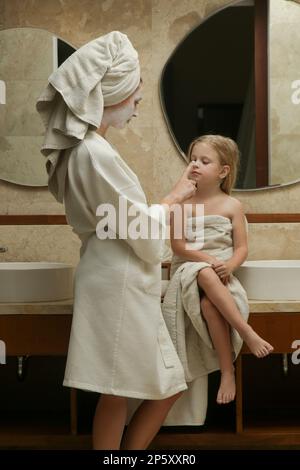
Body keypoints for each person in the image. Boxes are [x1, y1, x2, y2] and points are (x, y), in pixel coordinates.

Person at [36, 31, 199, 450]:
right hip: (119, 278)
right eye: (136, 100)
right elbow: (136, 229)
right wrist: (174, 197)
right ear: (112, 95)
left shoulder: (83, 149)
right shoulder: (94, 152)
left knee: (116, 389)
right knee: (154, 384)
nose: (137, 109)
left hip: (108, 272)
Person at [167, 134, 274, 406]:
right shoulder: (182, 204)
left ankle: (227, 371)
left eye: (204, 160)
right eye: (192, 159)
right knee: (203, 272)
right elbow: (178, 247)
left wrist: (229, 265)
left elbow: (241, 248)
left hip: (221, 275)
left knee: (210, 308)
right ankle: (247, 332)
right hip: (188, 270)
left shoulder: (232, 205)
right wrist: (207, 260)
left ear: (223, 171)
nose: (196, 165)